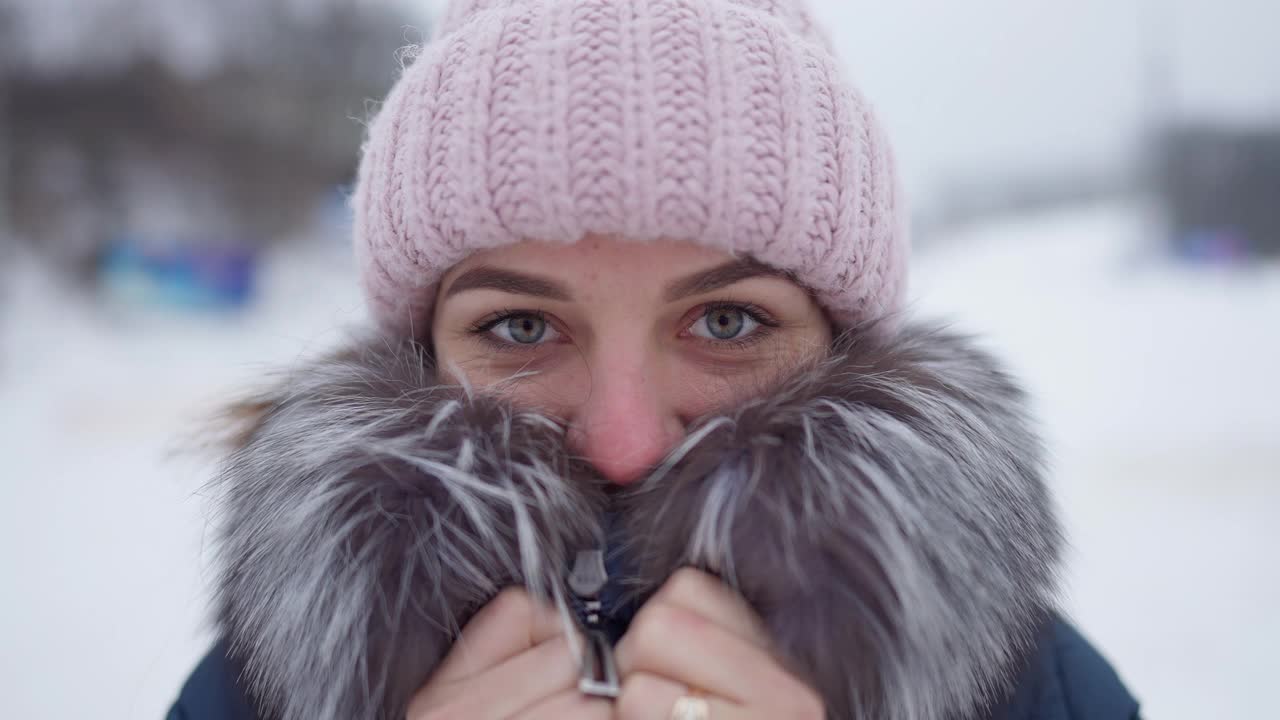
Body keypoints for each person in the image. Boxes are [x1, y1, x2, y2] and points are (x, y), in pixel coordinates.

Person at [169, 1, 1139, 718]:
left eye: (724, 323)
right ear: (418, 351)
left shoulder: (1037, 689)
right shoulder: (259, 691)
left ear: (841, 340)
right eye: (517, 328)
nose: (624, 443)